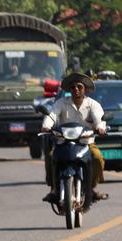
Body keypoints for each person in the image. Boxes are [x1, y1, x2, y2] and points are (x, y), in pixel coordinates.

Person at [41, 73, 108, 203]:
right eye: (73, 87)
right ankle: (54, 189)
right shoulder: (61, 103)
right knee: (51, 156)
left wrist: (100, 127)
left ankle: (91, 188)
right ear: (69, 90)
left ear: (85, 89)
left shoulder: (93, 105)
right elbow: (51, 115)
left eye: (79, 87)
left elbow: (99, 118)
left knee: (98, 157)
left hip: (86, 143)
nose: (76, 89)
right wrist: (46, 126)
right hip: (63, 143)